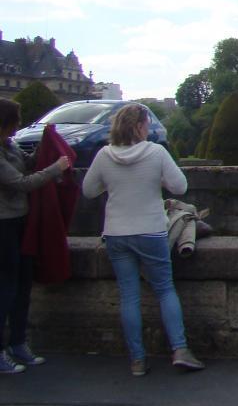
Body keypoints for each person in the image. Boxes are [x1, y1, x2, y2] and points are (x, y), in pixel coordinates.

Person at [81, 103, 204, 376]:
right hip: (150, 229)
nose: (149, 129)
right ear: (138, 127)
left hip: (116, 232)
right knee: (165, 289)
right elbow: (180, 187)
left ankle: (137, 360)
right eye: (146, 124)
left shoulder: (104, 155)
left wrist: (113, 184)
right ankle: (180, 349)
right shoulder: (156, 152)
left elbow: (88, 190)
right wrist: (156, 180)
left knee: (129, 296)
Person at [0, 98, 70, 374]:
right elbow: (22, 183)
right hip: (4, 225)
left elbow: (28, 165)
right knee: (6, 288)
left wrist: (45, 147)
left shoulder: (10, 146)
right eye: (16, 121)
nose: (19, 125)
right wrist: (55, 168)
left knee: (22, 285)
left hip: (20, 222)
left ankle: (18, 343)